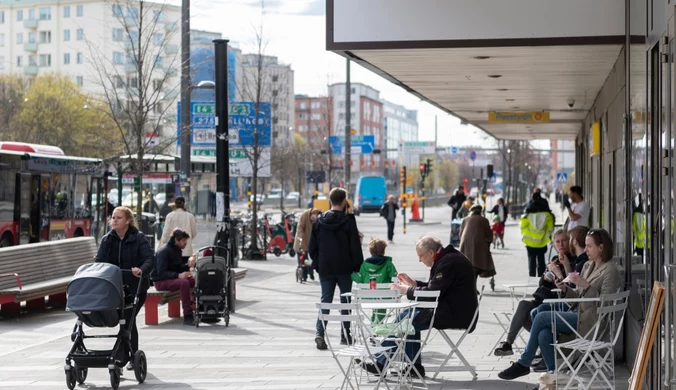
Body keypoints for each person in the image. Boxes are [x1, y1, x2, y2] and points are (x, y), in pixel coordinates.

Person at [498, 228, 620, 384]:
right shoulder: (588, 265)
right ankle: (553, 378)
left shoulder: (610, 270)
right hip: (579, 314)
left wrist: (587, 286)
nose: (586, 249)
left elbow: (605, 304)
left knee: (541, 316)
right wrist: (565, 289)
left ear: (601, 248)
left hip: (592, 322)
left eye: (589, 246)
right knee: (543, 332)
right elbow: (578, 297)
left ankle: (524, 363)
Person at [363, 235, 478, 378]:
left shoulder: (448, 262)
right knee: (408, 316)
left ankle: (383, 363)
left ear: (430, 253)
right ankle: (412, 366)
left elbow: (433, 292)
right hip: (453, 309)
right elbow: (436, 288)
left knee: (407, 319)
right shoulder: (447, 258)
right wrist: (414, 284)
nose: (420, 260)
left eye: (421, 256)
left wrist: (406, 290)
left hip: (456, 313)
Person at [492, 229, 572, 364]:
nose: (561, 244)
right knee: (523, 306)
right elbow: (542, 283)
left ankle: (538, 349)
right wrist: (546, 276)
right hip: (541, 299)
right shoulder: (554, 259)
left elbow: (569, 285)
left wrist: (559, 272)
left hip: (555, 304)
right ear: (554, 244)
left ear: (569, 241)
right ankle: (508, 343)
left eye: (564, 240)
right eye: (558, 242)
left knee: (530, 313)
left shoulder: (571, 260)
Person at [95, 206, 154, 371]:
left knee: (128, 320)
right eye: (113, 217)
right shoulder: (108, 239)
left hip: (135, 288)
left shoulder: (138, 238)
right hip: (115, 288)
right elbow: (99, 261)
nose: (114, 220)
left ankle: (121, 358)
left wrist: (142, 270)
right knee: (126, 322)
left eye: (118, 218)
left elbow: (149, 258)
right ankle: (129, 355)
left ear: (128, 220)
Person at [309, 188, 364, 350]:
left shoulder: (319, 221)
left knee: (325, 299)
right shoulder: (348, 221)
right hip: (345, 268)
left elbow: (312, 247)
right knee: (345, 300)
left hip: (326, 268)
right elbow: (354, 246)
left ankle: (320, 333)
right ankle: (345, 335)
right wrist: (357, 266)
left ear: (330, 201)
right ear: (344, 201)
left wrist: (318, 264)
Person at [151, 228, 197, 325]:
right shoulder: (164, 251)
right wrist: (179, 275)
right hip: (160, 281)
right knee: (184, 283)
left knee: (192, 280)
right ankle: (187, 315)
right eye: (183, 240)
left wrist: (187, 266)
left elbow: (177, 268)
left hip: (170, 279)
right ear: (176, 240)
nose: (186, 243)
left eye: (186, 240)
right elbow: (161, 273)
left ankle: (196, 308)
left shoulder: (177, 250)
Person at [351, 237, 398, 321]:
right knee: (380, 303)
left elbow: (360, 279)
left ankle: (375, 325)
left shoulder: (364, 265)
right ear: (383, 250)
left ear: (370, 251)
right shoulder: (388, 264)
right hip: (385, 296)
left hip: (368, 296)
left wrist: (350, 274)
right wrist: (396, 287)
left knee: (375, 299)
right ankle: (378, 325)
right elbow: (395, 278)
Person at [520, 192, 555, 277]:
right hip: (542, 241)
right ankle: (541, 276)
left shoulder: (527, 215)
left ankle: (532, 275)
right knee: (541, 259)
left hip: (529, 242)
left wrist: (528, 234)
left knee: (531, 259)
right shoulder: (547, 215)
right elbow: (550, 228)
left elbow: (522, 227)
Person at [459, 205, 496, 282]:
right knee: (477, 265)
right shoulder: (484, 220)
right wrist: (489, 241)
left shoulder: (465, 219)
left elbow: (460, 234)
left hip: (465, 245)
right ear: (480, 211)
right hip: (479, 245)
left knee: (468, 265)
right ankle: (473, 285)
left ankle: (471, 285)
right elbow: (489, 234)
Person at [159, 196, 197, 264]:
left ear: (175, 204)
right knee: (185, 270)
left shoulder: (170, 216)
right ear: (184, 204)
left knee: (174, 271)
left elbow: (165, 234)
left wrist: (165, 242)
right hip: (186, 250)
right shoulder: (190, 216)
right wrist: (186, 240)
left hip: (173, 250)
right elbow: (194, 233)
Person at [293, 208, 321, 282]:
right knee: (302, 258)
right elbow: (300, 227)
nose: (313, 219)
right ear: (311, 213)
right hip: (302, 240)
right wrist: (301, 237)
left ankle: (311, 272)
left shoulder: (318, 220)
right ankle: (304, 276)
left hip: (311, 241)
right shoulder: (304, 215)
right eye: (313, 216)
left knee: (310, 259)